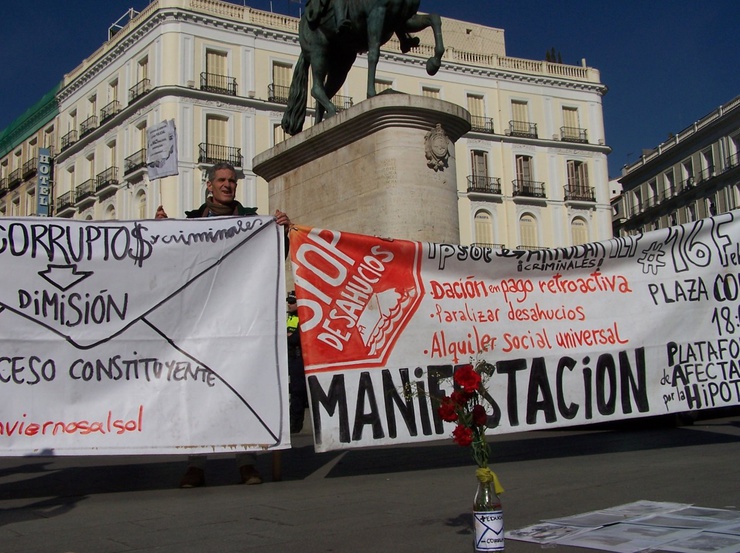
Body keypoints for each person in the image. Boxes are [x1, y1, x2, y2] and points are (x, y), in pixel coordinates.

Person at [156, 161, 292, 488]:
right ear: (209, 185)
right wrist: (160, 232)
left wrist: (281, 234)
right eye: (221, 180)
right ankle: (196, 465)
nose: (227, 185)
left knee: (241, 389)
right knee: (198, 392)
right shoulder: (191, 223)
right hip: (200, 324)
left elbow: (271, 261)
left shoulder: (251, 221)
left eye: (232, 180)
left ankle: (246, 462)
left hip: (239, 324)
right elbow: (171, 263)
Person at [286, 291, 307, 433]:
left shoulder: (304, 317)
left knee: (298, 391)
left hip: (299, 358)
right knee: (294, 391)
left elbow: (295, 338)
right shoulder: (290, 317)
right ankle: (292, 421)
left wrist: (289, 336)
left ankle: (296, 423)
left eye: (292, 301)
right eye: (288, 301)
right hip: (291, 357)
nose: (289, 304)